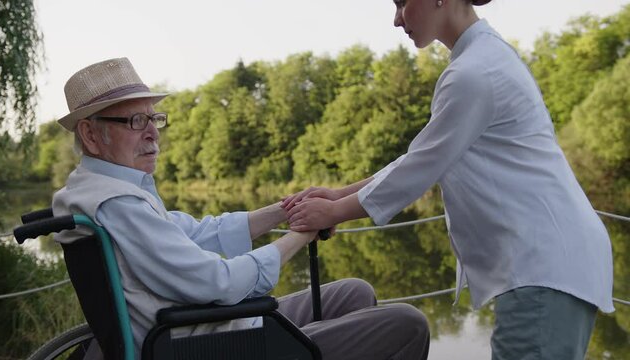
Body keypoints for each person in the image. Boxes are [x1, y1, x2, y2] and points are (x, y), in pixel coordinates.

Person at [284, 0, 614, 359]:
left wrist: (332, 213)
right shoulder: (482, 59)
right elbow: (420, 158)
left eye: (401, 3)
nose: (396, 20)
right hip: (552, 262)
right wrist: (336, 197)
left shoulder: (474, 72)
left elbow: (419, 169)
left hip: (545, 266)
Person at [51, 57, 430, 360]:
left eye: (154, 118)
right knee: (407, 324)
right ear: (89, 133)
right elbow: (219, 282)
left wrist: (286, 209)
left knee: (354, 292)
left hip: (204, 329)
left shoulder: (100, 192)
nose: (153, 132)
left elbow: (198, 233)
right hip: (206, 346)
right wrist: (302, 233)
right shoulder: (118, 204)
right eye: (136, 121)